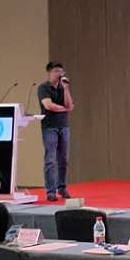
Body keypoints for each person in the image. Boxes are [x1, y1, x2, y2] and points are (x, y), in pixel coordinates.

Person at [37, 62, 73, 202]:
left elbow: (69, 104)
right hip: (49, 127)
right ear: (49, 72)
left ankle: (62, 188)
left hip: (64, 126)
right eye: (56, 71)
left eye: (61, 71)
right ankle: (51, 191)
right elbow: (48, 105)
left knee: (64, 159)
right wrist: (65, 109)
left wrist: (66, 89)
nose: (60, 74)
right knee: (50, 160)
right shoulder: (43, 88)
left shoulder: (63, 88)